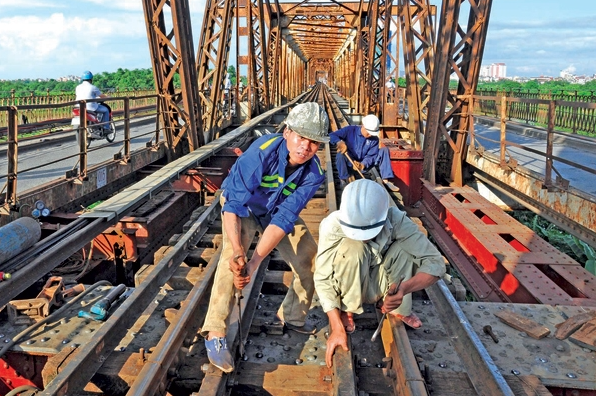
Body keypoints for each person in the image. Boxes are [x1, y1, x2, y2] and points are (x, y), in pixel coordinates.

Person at [200, 102, 330, 373]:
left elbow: (284, 219)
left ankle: (293, 316)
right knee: (229, 260)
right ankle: (215, 333)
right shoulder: (259, 155)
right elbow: (233, 205)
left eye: (314, 142)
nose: (305, 147)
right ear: (287, 133)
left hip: (273, 211)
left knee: (311, 259)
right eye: (301, 137)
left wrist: (255, 262)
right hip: (243, 208)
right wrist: (240, 252)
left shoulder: (314, 173)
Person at [314, 179, 446, 368]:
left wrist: (404, 289)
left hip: (383, 281)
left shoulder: (396, 219)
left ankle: (395, 306)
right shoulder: (332, 225)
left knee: (404, 249)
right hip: (351, 280)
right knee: (353, 248)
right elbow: (323, 277)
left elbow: (436, 263)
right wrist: (335, 326)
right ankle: (347, 307)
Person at [330, 114, 400, 192]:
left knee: (384, 150)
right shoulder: (349, 130)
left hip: (363, 166)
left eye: (372, 133)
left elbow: (371, 156)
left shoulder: (374, 139)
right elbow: (332, 135)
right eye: (368, 132)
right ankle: (343, 180)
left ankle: (386, 180)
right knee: (340, 155)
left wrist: (363, 164)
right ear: (363, 126)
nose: (370, 135)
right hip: (349, 162)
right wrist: (339, 142)